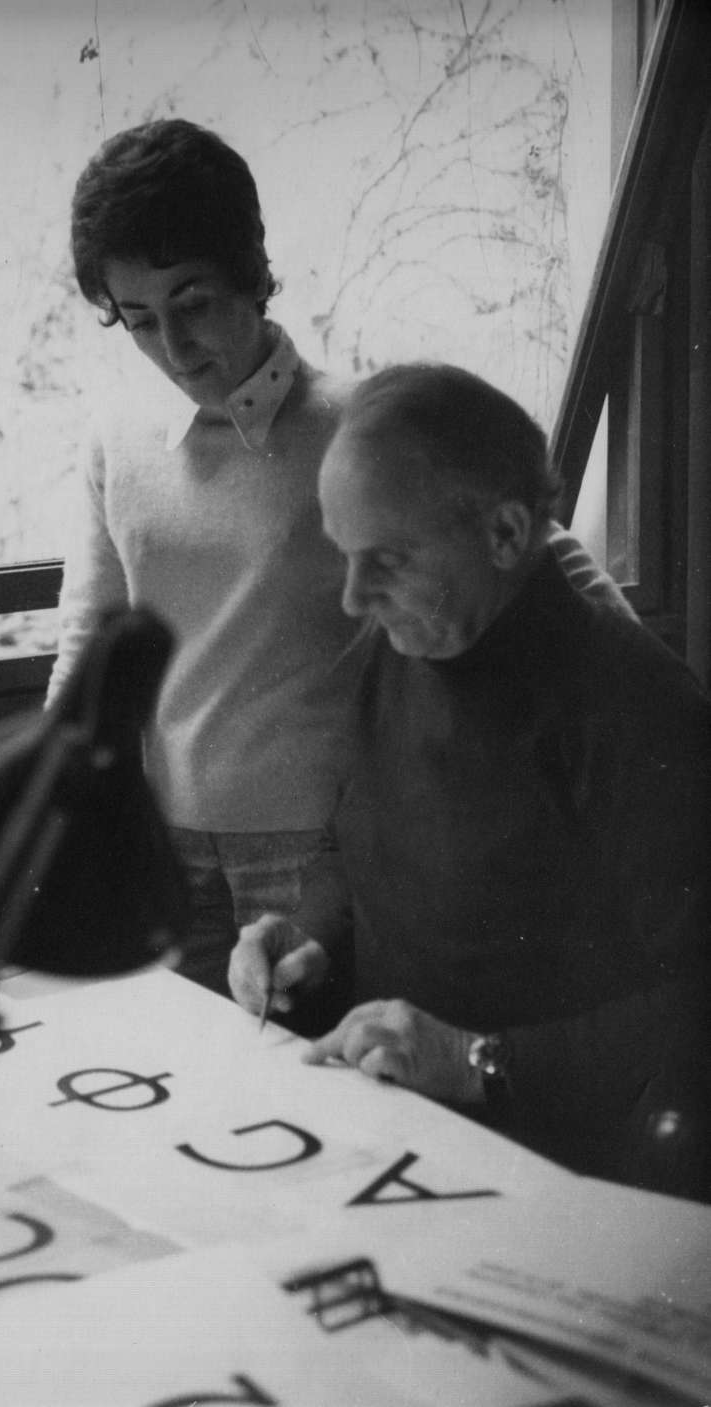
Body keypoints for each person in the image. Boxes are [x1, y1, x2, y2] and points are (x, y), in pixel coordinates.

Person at [51, 118, 624, 994]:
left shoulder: (357, 423)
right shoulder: (113, 446)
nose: (174, 347)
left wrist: (632, 664)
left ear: (249, 270)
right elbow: (88, 641)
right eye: (139, 320)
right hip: (166, 846)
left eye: (194, 302)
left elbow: (529, 548)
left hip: (327, 852)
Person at [228, 363, 711, 1199]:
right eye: (345, 557)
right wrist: (310, 937)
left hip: (583, 1178)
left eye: (385, 559)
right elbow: (361, 846)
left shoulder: (637, 703)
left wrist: (481, 1061)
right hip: (407, 1135)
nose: (351, 598)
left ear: (507, 532)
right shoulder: (407, 645)